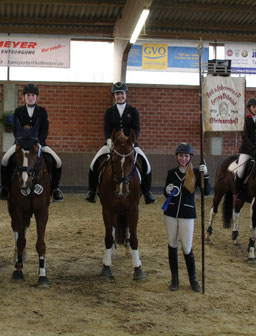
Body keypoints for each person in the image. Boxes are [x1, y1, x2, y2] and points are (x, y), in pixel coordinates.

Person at [85, 81, 155, 204]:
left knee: (146, 164)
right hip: (113, 144)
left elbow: (137, 129)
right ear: (114, 96)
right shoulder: (109, 111)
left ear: (125, 94)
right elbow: (107, 128)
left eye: (122, 93)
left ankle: (147, 192)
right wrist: (109, 140)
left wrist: (131, 140)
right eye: (117, 94)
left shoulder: (133, 111)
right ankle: (92, 191)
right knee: (93, 164)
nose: (120, 96)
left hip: (130, 144)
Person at [0, 83, 63, 202]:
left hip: (39, 144)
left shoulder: (42, 111)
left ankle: (55, 189)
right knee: (5, 160)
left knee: (57, 161)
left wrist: (39, 142)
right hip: (20, 144)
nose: (30, 97)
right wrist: (20, 141)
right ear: (24, 97)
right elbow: (15, 129)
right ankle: (5, 188)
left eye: (33, 95)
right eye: (28, 95)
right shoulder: (18, 111)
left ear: (36, 97)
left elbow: (44, 129)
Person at [163, 143, 210, 292]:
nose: (183, 158)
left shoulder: (196, 173)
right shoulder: (171, 172)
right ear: (177, 156)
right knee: (172, 244)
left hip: (187, 214)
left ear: (190, 157)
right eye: (181, 155)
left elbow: (206, 192)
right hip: (170, 213)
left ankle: (193, 280)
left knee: (187, 247)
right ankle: (174, 279)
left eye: (186, 156)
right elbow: (166, 192)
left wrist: (206, 175)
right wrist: (167, 190)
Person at [235, 96, 256, 200]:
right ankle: (238, 193)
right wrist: (253, 149)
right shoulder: (245, 120)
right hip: (246, 150)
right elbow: (244, 137)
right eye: (254, 106)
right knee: (241, 170)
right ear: (249, 107)